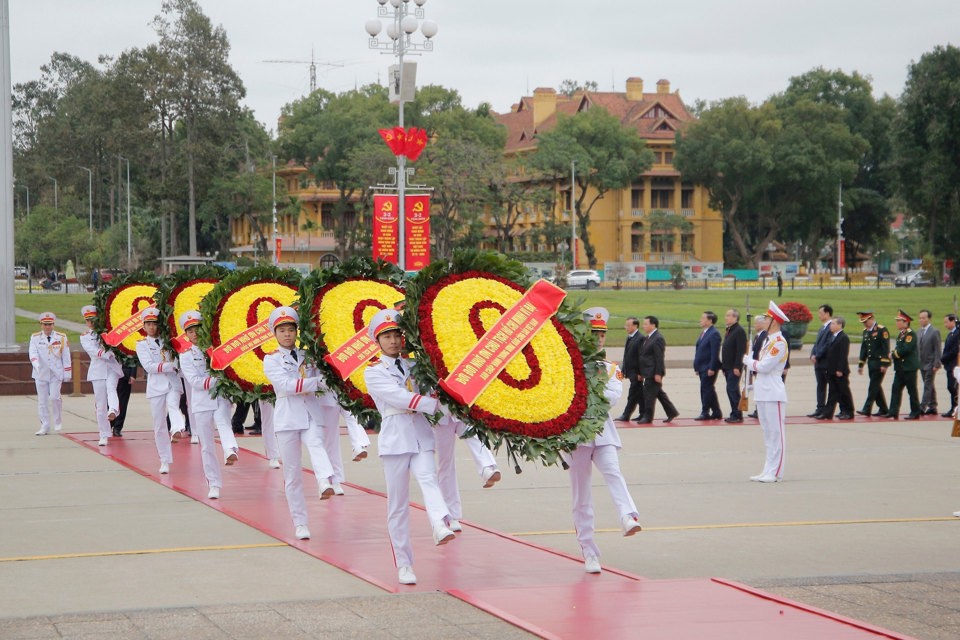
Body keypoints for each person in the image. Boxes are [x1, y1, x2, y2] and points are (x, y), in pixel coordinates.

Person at [363, 308, 454, 586]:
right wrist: (433, 404)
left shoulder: (416, 367)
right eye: (387, 336)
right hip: (395, 439)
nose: (393, 341)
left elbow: (431, 387)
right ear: (377, 341)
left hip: (421, 435)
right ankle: (404, 563)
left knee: (429, 478)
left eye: (396, 335)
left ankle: (440, 524)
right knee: (398, 505)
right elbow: (399, 398)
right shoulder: (373, 372)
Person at [565, 307, 642, 574]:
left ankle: (628, 516)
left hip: (602, 432)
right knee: (581, 495)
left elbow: (611, 398)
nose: (598, 339)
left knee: (613, 472)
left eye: (602, 334)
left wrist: (587, 390)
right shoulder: (569, 366)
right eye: (594, 333)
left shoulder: (611, 368)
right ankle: (588, 551)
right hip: (576, 436)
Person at [261, 306, 337, 540]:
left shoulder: (309, 355)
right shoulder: (271, 359)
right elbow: (285, 385)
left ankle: (325, 480)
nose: (287, 334)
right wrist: (315, 383)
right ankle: (300, 522)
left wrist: (317, 381)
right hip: (287, 418)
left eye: (291, 330)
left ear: (297, 331)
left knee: (316, 444)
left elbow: (325, 378)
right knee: (292, 474)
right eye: (282, 330)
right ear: (275, 333)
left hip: (310, 412)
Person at [177, 310, 241, 500]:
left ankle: (230, 450)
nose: (195, 334)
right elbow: (195, 381)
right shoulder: (186, 355)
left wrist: (224, 379)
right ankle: (213, 483)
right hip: (202, 402)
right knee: (207, 446)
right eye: (190, 331)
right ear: (186, 335)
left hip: (220, 397)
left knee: (223, 421)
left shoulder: (215, 349)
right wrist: (218, 379)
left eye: (197, 329)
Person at [135, 307, 187, 474]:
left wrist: (176, 367)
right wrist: (170, 366)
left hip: (172, 382)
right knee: (159, 424)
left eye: (154, 323)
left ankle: (178, 428)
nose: (151, 327)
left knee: (173, 405)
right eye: (148, 324)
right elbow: (149, 367)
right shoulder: (142, 345)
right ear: (143, 326)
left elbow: (180, 358)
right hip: (156, 386)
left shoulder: (170, 341)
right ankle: (164, 459)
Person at [742, 301, 790, 482]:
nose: (764, 320)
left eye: (768, 318)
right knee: (767, 433)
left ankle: (776, 471)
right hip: (763, 391)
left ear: (775, 322)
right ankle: (767, 469)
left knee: (776, 433)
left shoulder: (779, 343)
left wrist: (748, 361)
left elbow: (765, 366)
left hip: (773, 392)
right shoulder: (768, 341)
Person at [435, 408, 501, 532]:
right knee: (446, 464)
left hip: (460, 409)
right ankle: (451, 515)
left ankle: (488, 469)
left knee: (474, 435)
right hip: (439, 415)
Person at [79, 305, 122, 446]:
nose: (91, 323)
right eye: (88, 320)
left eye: (93, 319)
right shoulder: (85, 337)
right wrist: (105, 354)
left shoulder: (108, 332)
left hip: (111, 367)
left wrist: (113, 353)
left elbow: (118, 344)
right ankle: (103, 434)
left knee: (111, 388)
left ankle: (114, 409)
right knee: (100, 403)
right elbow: (91, 350)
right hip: (97, 369)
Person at [29, 312, 71, 435]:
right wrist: (35, 364)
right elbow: (33, 353)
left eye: (50, 324)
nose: (47, 327)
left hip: (56, 373)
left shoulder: (61, 337)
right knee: (42, 401)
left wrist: (67, 372)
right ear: (41, 325)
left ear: (53, 324)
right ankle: (45, 426)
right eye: (45, 324)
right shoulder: (35, 337)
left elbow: (66, 356)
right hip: (40, 373)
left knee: (54, 397)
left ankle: (57, 421)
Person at [636, 315, 679, 424]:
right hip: (647, 371)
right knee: (659, 393)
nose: (643, 326)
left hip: (653, 372)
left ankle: (648, 417)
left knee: (649, 395)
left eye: (646, 324)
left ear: (653, 325)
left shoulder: (658, 338)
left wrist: (658, 373)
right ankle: (672, 412)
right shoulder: (648, 337)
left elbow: (659, 358)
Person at [883, 309, 921, 420]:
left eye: (899, 321)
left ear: (906, 322)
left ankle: (915, 412)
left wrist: (893, 354)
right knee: (895, 389)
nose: (897, 323)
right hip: (900, 368)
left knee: (911, 390)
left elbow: (906, 349)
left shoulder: (910, 334)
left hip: (909, 368)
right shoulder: (901, 334)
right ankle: (893, 411)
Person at [819, 317, 854, 420]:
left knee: (844, 392)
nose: (831, 326)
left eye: (833, 324)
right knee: (833, 392)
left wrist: (840, 369)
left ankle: (848, 411)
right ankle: (829, 413)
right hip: (831, 369)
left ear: (840, 325)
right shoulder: (833, 336)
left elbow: (843, 355)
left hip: (839, 371)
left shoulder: (843, 338)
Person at [692, 311, 722, 421]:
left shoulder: (714, 334)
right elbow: (699, 351)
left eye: (703, 318)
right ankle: (716, 411)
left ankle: (705, 412)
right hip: (702, 367)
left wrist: (712, 367)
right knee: (708, 389)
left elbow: (715, 353)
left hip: (708, 367)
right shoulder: (704, 332)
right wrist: (696, 366)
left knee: (705, 389)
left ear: (710, 321)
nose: (700, 320)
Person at [614, 316, 645, 422]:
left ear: (635, 326)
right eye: (625, 325)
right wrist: (623, 369)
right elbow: (626, 355)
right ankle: (644, 413)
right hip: (630, 371)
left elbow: (641, 357)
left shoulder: (640, 338)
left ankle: (626, 415)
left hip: (636, 372)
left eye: (628, 325)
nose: (625, 327)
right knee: (639, 393)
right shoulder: (630, 337)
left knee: (632, 394)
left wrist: (641, 373)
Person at [720, 309, 747, 423]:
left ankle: (737, 414)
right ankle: (735, 413)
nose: (726, 317)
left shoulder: (739, 331)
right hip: (727, 366)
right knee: (732, 389)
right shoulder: (730, 330)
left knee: (732, 389)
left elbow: (740, 351)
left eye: (728, 315)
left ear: (735, 318)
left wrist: (737, 366)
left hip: (734, 367)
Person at [808, 304, 834, 418]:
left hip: (825, 362)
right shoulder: (823, 327)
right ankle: (820, 408)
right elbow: (817, 343)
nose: (819, 315)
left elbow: (827, 345)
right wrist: (812, 354)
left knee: (828, 386)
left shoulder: (831, 327)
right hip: (818, 362)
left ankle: (826, 411)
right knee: (820, 386)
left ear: (827, 314)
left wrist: (817, 356)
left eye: (821, 313)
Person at [917, 309, 942, 415]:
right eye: (920, 318)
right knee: (929, 385)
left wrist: (937, 364)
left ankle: (922, 406)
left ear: (929, 319)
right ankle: (933, 405)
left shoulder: (934, 331)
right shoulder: (919, 331)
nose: (921, 320)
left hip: (931, 363)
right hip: (921, 363)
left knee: (927, 384)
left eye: (924, 318)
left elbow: (937, 349)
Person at [110, 361, 138, 437]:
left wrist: (132, 374)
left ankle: (117, 428)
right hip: (110, 374)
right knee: (109, 401)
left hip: (125, 375)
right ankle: (109, 425)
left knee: (122, 402)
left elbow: (132, 357)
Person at [940, 314, 959, 417]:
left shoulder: (957, 334)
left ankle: (954, 408)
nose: (945, 324)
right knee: (951, 387)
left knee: (953, 387)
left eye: (946, 322)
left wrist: (943, 358)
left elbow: (955, 350)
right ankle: (953, 407)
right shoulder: (951, 334)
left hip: (954, 365)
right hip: (949, 365)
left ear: (953, 322)